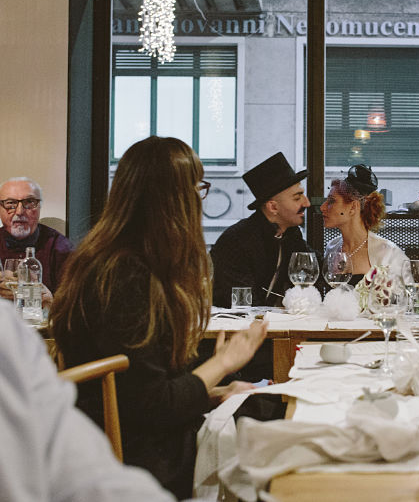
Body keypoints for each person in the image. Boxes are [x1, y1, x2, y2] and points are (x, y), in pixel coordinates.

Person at [50, 136, 268, 498]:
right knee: (273, 436)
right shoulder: (125, 276)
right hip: (138, 455)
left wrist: (216, 392)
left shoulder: (115, 261)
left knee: (263, 409)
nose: (201, 199)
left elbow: (137, 389)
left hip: (125, 434)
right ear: (174, 199)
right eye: (198, 188)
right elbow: (152, 406)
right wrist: (224, 363)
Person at [0, 299, 177, 502]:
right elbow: (155, 403)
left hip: (119, 445)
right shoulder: (124, 290)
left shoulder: (8, 332)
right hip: (138, 441)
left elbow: (86, 475)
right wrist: (220, 364)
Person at [211, 152, 314, 307]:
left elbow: (314, 273)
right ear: (273, 207)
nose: (307, 204)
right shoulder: (236, 242)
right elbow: (244, 304)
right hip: (232, 327)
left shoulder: (291, 235)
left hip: (265, 323)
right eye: (297, 197)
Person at [321, 164, 408, 285]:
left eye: (331, 201)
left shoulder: (388, 253)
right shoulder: (332, 247)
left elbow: (409, 298)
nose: (322, 207)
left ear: (353, 207)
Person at [0, 177, 73, 304]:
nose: (19, 211)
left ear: (40, 207)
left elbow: (76, 305)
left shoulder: (62, 248)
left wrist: (51, 301)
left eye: (29, 202)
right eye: (10, 203)